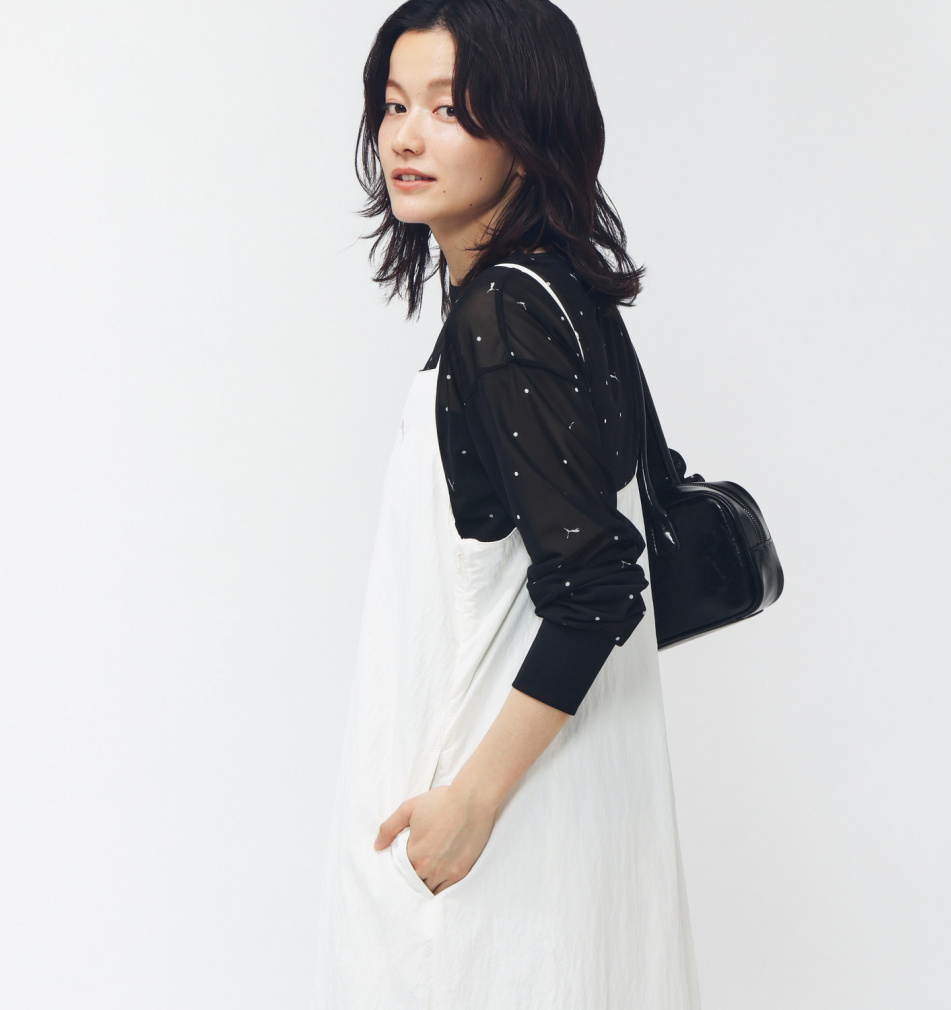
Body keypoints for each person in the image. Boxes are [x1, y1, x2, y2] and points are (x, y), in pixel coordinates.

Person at [311, 1, 700, 1007]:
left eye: (449, 108)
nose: (405, 136)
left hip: (494, 845)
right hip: (569, 824)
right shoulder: (559, 294)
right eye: (394, 103)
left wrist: (470, 806)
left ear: (528, 134)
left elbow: (597, 586)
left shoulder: (507, 314)